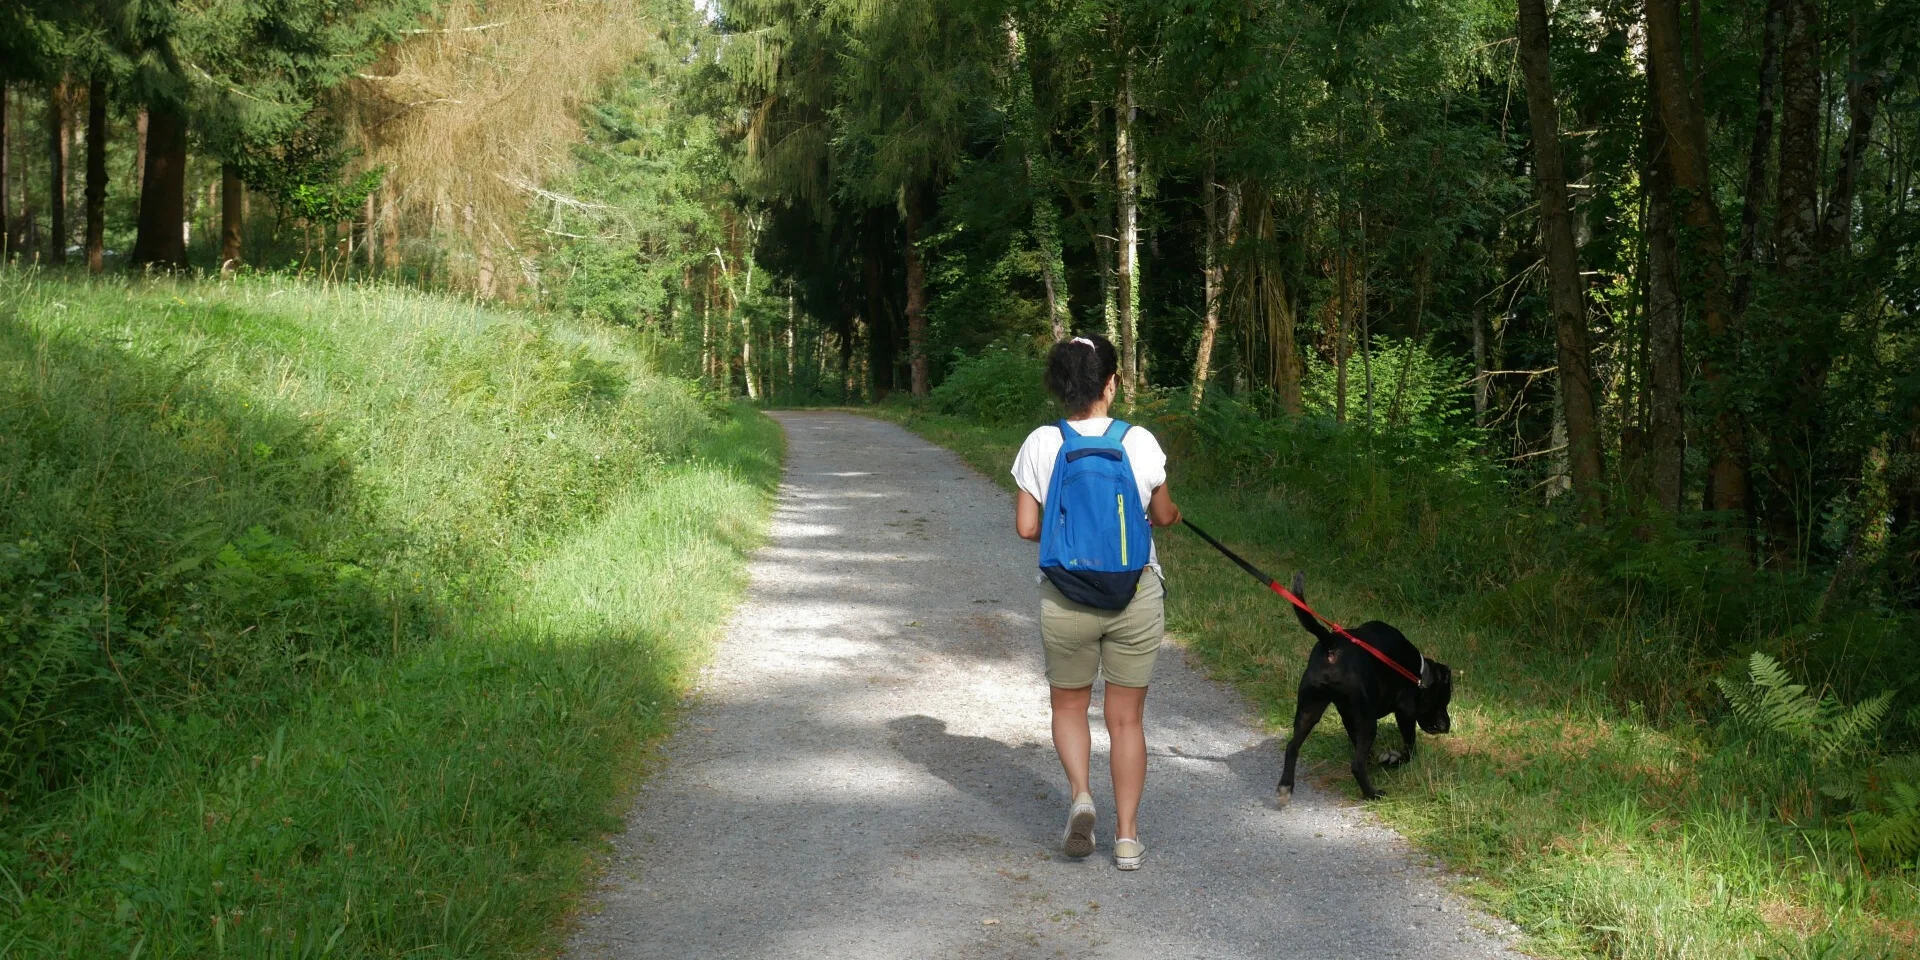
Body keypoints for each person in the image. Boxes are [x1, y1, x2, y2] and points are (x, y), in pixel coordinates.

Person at [1011, 334, 1181, 870]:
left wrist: (1073, 539)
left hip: (1066, 595)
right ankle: (1127, 837)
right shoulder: (1141, 442)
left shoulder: (1041, 443)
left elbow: (1025, 527)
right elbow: (1164, 513)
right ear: (1111, 383)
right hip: (1134, 592)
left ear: (1060, 387)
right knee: (1126, 720)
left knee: (1068, 705)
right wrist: (1165, 517)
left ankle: (1082, 794)